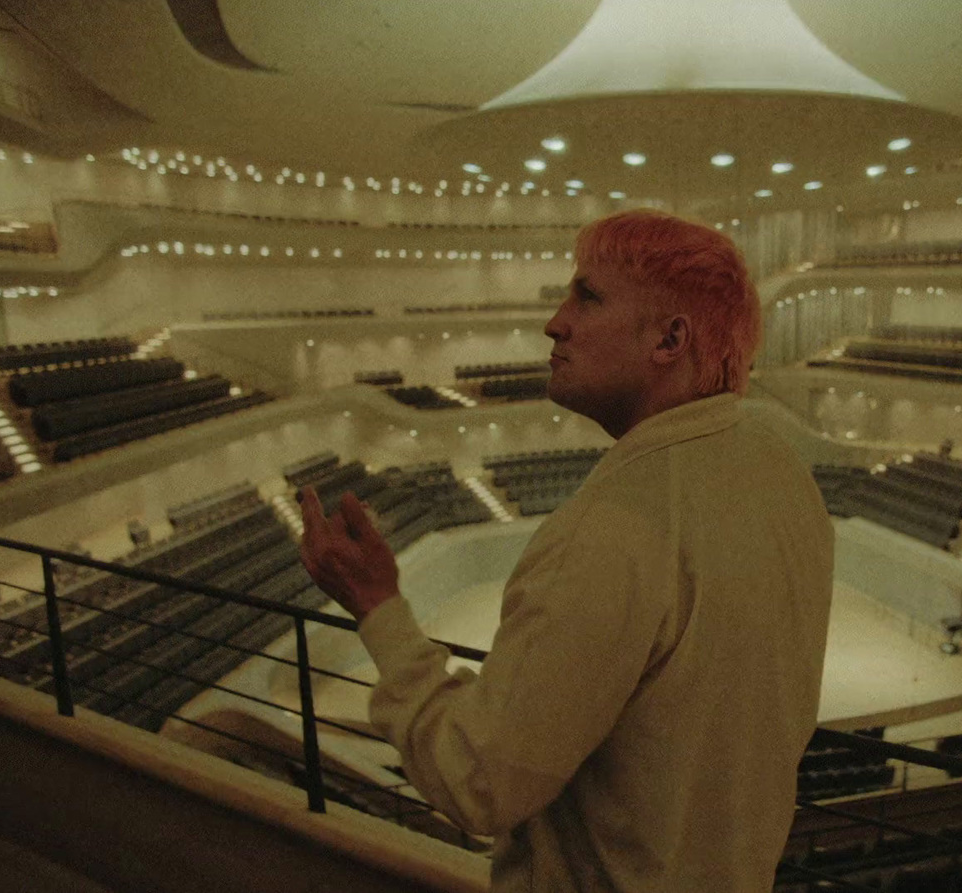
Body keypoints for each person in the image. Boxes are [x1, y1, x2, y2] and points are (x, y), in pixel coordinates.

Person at [299, 209, 834, 892]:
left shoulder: (610, 529)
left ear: (671, 338)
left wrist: (378, 606)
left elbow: (478, 782)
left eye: (588, 296)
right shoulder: (783, 472)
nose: (556, 321)